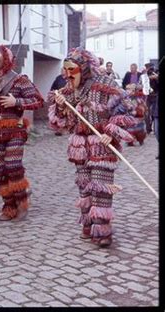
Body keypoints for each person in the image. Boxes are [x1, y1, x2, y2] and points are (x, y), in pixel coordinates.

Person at [48, 47, 136, 248]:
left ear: (84, 68)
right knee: (85, 186)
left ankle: (102, 230)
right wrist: (61, 105)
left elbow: (130, 109)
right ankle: (87, 225)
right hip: (79, 145)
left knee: (100, 187)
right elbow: (59, 122)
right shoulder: (68, 90)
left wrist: (111, 131)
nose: (67, 75)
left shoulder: (105, 85)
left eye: (72, 70)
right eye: (66, 70)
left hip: (101, 144)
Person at [0, 45, 44, 221]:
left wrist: (16, 101)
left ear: (6, 58)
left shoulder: (19, 80)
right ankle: (9, 205)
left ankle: (21, 201)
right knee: (0, 170)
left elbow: (37, 100)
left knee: (12, 165)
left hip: (14, 131)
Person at [50, 67, 68, 136]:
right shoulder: (58, 78)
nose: (62, 71)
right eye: (61, 70)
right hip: (58, 99)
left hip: (67, 100)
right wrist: (53, 95)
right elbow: (53, 87)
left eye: (63, 70)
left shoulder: (70, 78)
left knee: (65, 115)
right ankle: (59, 129)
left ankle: (64, 129)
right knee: (58, 114)